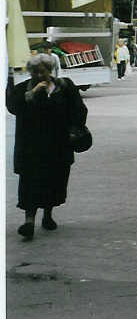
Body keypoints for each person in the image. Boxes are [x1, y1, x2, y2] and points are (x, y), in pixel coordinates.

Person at [7, 53, 88, 241]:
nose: (38, 75)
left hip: (58, 146)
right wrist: (32, 94)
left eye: (42, 71)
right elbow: (13, 107)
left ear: (50, 70)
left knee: (54, 180)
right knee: (30, 182)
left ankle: (48, 215)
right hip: (31, 147)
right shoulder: (23, 89)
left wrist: (75, 128)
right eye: (34, 72)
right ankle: (29, 221)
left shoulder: (65, 86)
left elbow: (79, 110)